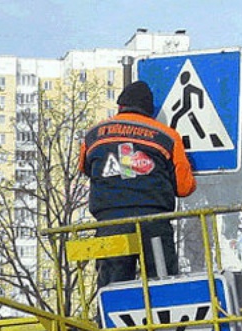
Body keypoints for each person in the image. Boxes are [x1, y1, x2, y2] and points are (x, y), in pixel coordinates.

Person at [78, 80, 197, 289]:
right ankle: (164, 320)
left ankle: (110, 321)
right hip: (154, 223)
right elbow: (184, 188)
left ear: (120, 106)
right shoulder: (167, 136)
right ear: (149, 111)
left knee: (113, 288)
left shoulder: (93, 134)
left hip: (109, 224)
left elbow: (85, 168)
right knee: (162, 285)